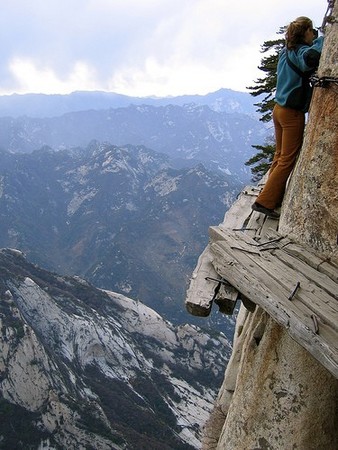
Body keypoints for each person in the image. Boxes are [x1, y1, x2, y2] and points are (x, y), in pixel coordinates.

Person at [252, 16, 324, 219]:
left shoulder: (285, 52)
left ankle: (270, 196)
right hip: (292, 113)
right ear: (306, 32)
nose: (314, 34)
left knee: (280, 154)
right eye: (312, 31)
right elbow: (310, 58)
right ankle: (265, 202)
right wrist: (322, 40)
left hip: (279, 109)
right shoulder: (300, 52)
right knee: (287, 159)